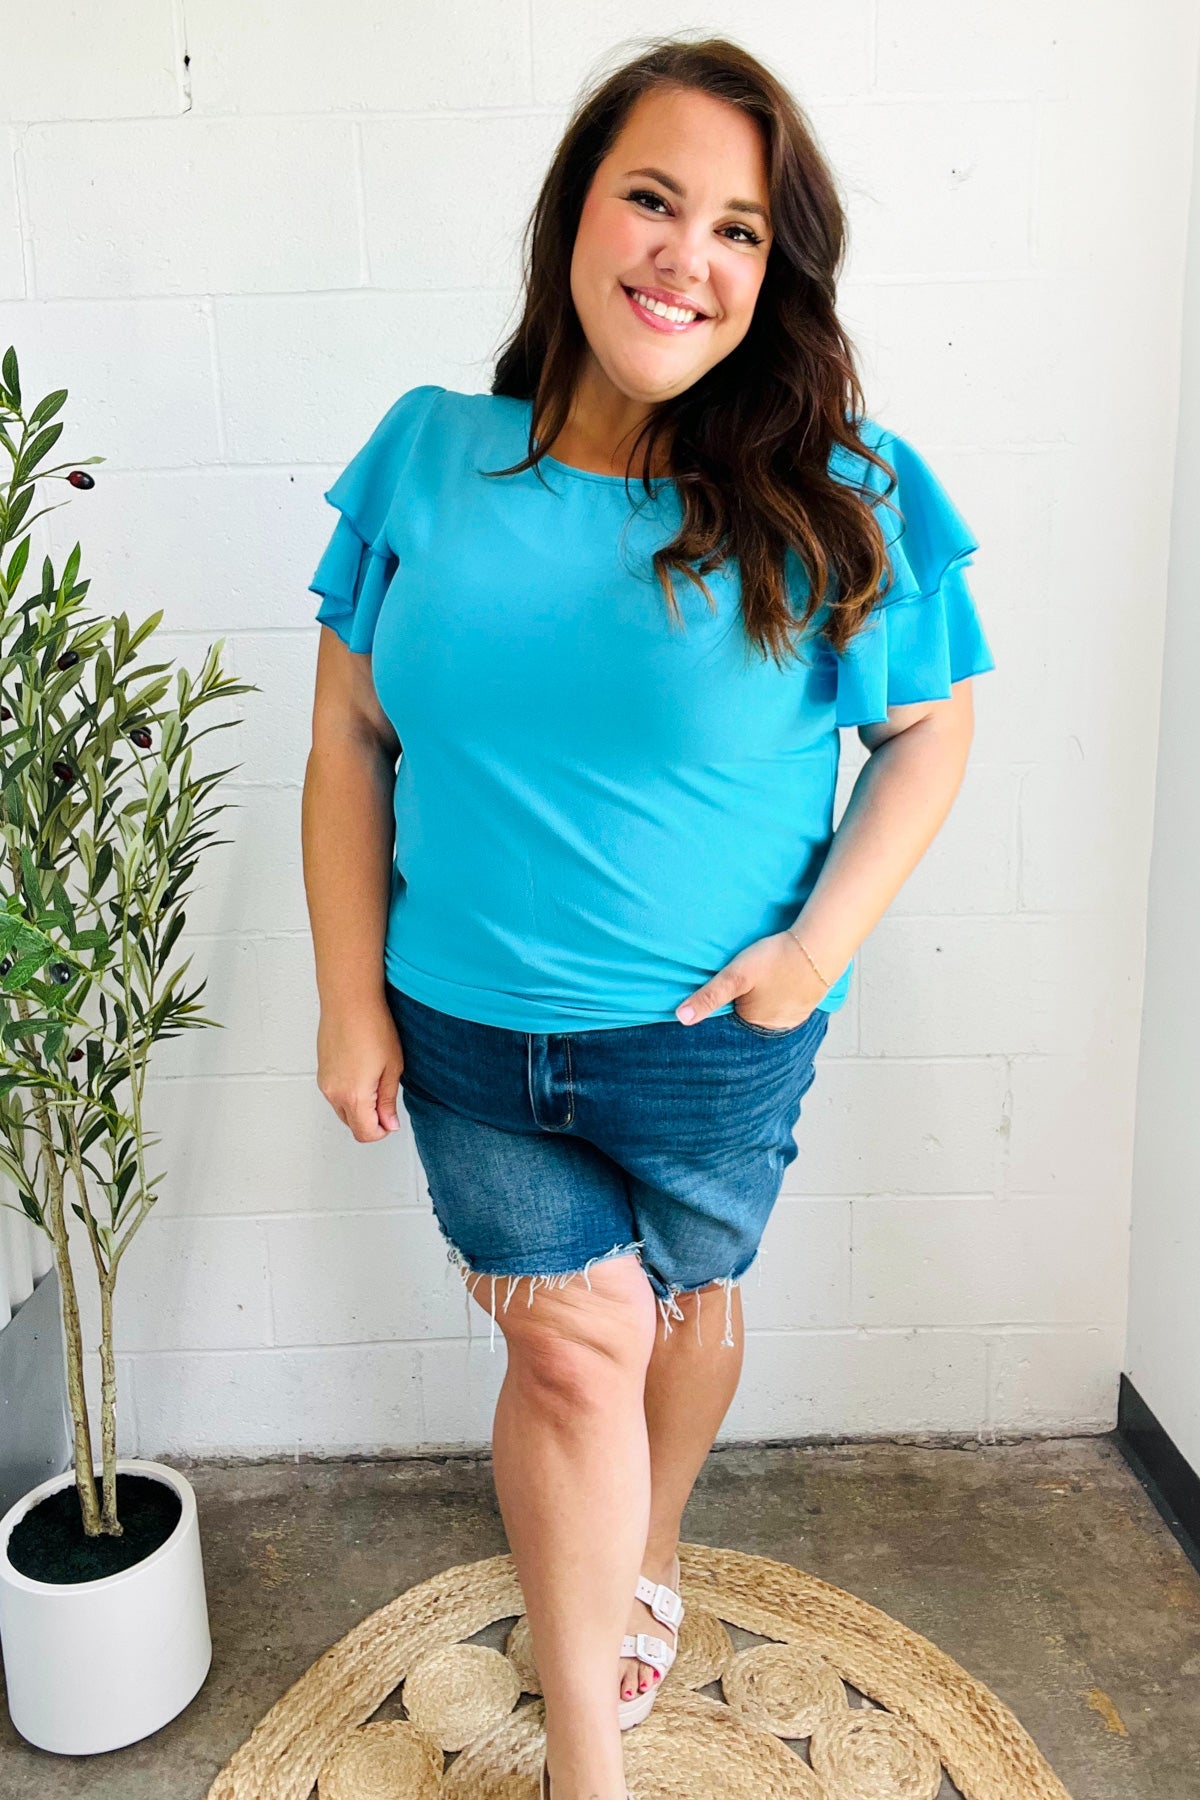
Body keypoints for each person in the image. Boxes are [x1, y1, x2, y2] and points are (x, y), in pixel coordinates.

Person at [301, 34, 995, 1800]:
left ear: (776, 275)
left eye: (741, 229)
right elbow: (344, 745)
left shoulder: (844, 493)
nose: (689, 255)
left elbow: (930, 736)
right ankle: (591, 1761)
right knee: (576, 1347)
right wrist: (346, 999)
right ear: (576, 219)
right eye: (655, 198)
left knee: (683, 1315)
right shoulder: (426, 458)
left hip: (711, 1042)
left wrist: (816, 953)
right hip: (461, 1026)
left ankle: (653, 1548)